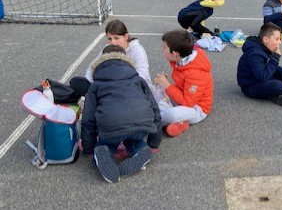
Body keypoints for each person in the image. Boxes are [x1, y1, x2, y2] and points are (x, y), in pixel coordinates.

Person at [81, 45, 161, 184]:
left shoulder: (96, 84)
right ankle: (143, 149)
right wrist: (154, 142)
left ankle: (102, 152)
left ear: (101, 61)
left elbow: (88, 119)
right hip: (142, 123)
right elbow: (155, 110)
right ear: (126, 59)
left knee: (107, 141)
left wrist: (88, 148)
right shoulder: (138, 79)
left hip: (112, 125)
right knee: (134, 138)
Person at [154, 30, 214, 137]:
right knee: (156, 91)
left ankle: (151, 121)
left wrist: (167, 85)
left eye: (164, 47)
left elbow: (188, 102)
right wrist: (164, 85)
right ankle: (180, 122)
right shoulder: (180, 59)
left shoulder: (196, 74)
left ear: (175, 54)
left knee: (173, 114)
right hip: (184, 96)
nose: (162, 49)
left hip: (197, 108)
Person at [70, 19, 152, 96]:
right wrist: (96, 82)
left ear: (126, 37)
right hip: (110, 85)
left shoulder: (137, 50)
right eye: (110, 39)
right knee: (76, 82)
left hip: (133, 88)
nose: (113, 42)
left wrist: (120, 85)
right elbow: (92, 68)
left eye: (116, 38)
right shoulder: (108, 48)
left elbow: (142, 76)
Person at [237, 23, 282, 107]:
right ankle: (279, 95)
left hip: (264, 76)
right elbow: (263, 77)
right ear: (266, 39)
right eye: (277, 39)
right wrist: (276, 57)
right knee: (279, 86)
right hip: (251, 85)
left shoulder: (264, 47)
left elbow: (273, 67)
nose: (279, 42)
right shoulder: (255, 54)